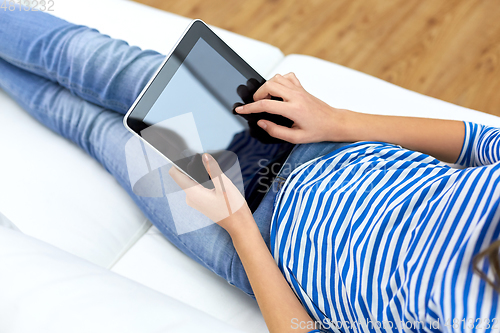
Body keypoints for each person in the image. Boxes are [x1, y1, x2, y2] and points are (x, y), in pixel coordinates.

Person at [1, 8, 500, 333]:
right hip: (319, 143)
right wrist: (334, 118)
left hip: (259, 241)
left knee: (91, 126)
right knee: (98, 62)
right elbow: (480, 141)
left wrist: (237, 226)